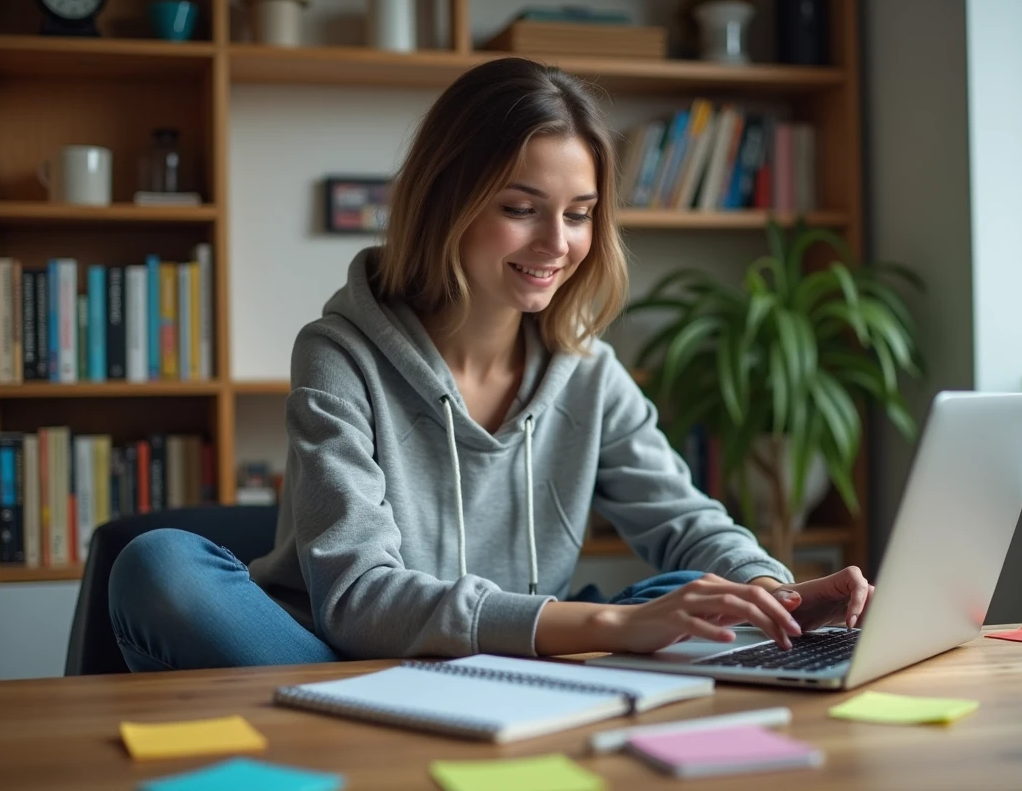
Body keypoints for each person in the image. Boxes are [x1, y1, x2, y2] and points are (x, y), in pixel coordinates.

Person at [108, 57, 873, 672]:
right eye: (520, 208)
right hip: (337, 657)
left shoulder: (589, 371)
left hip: (508, 659)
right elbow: (359, 598)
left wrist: (778, 591)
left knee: (699, 590)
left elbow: (685, 522)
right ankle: (365, 721)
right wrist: (613, 625)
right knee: (160, 568)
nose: (557, 244)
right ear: (448, 199)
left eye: (578, 214)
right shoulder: (340, 354)